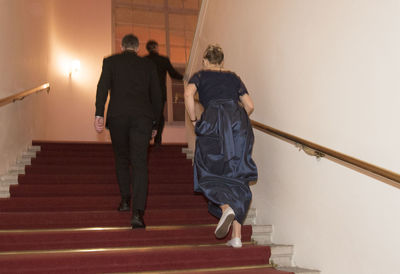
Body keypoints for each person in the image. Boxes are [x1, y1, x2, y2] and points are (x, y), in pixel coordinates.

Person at [184, 44, 258, 248]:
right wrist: (237, 118)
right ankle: (236, 237)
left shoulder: (201, 75)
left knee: (207, 169)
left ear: (205, 61)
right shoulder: (233, 77)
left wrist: (193, 120)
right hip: (237, 125)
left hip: (213, 123)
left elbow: (188, 94)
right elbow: (250, 105)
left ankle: (226, 207)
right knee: (237, 174)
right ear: (222, 61)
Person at [94, 34, 162, 229]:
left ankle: (125, 200)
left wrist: (99, 113)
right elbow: (157, 96)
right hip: (143, 119)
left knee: (121, 158)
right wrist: (155, 125)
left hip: (118, 117)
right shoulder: (148, 65)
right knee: (140, 164)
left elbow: (102, 88)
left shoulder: (110, 61)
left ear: (122, 47)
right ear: (138, 48)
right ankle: (138, 214)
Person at [145, 40, 183, 146]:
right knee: (159, 116)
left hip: (146, 93)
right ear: (157, 47)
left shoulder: (143, 60)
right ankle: (157, 140)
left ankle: (147, 138)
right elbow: (173, 74)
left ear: (147, 49)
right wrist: (185, 77)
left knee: (146, 115)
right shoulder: (163, 60)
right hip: (160, 93)